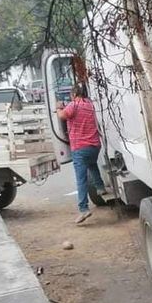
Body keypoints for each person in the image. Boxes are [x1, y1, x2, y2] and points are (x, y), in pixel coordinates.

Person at [56, 83, 104, 224]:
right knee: (92, 164)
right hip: (94, 146)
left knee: (81, 180)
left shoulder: (74, 105)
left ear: (74, 94)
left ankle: (84, 209)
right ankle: (100, 187)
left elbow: (63, 115)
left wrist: (59, 107)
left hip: (80, 147)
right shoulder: (89, 104)